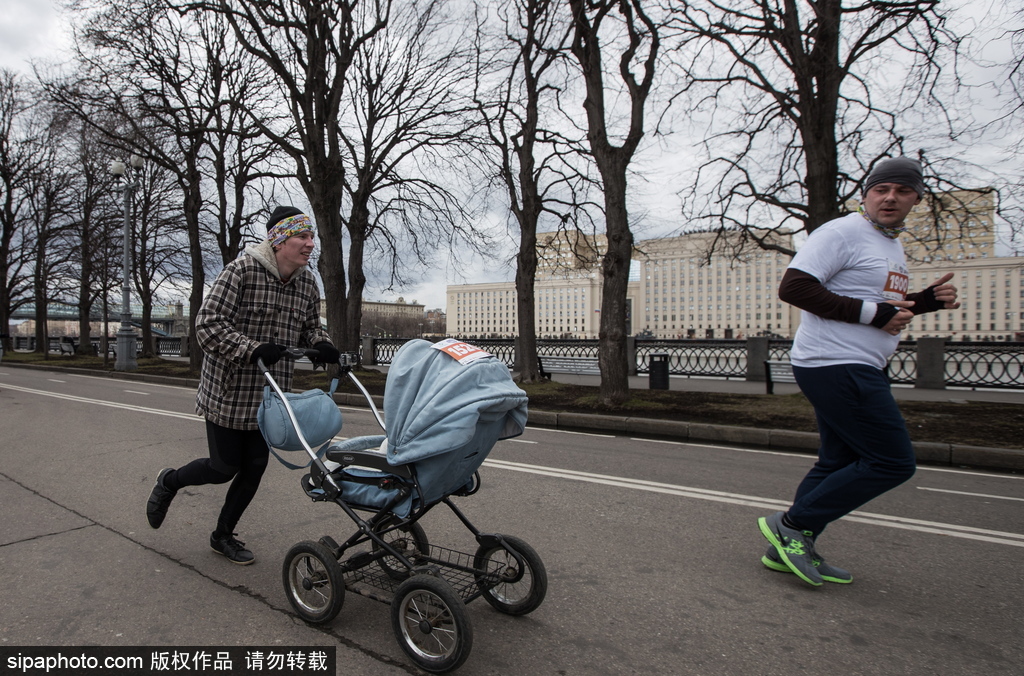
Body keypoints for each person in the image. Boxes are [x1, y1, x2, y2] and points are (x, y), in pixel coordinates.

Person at [757, 157, 960, 586]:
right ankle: (792, 527)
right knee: (892, 461)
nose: (890, 198)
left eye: (902, 191)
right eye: (881, 189)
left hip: (857, 362)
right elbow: (794, 287)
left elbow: (883, 307)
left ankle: (793, 545)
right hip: (835, 362)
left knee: (838, 460)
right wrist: (873, 314)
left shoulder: (889, 244)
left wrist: (925, 302)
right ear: (865, 195)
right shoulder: (842, 232)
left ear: (916, 199)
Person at [146, 206, 340, 565]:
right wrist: (251, 349)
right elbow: (207, 325)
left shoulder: (307, 282)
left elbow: (311, 326)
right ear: (279, 240)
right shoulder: (242, 271)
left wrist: (321, 344)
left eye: (312, 237)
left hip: (270, 395)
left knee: (254, 467)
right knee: (223, 468)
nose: (310, 244)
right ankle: (169, 482)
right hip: (230, 390)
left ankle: (222, 536)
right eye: (303, 236)